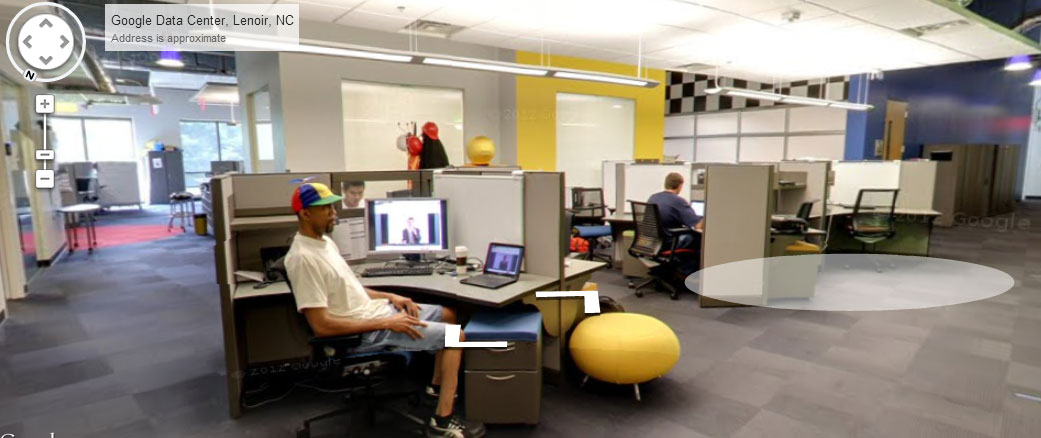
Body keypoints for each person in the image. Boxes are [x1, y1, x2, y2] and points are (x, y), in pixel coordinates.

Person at [284, 182, 485, 438]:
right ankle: (442, 422)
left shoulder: (323, 243)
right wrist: (388, 323)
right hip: (364, 332)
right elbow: (322, 326)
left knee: (449, 314)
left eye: (333, 206)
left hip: (375, 312)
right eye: (326, 209)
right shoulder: (303, 259)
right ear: (305, 213)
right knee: (456, 336)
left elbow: (351, 288)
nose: (334, 213)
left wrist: (391, 296)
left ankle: (434, 390)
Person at [647, 172, 704, 274]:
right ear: (680, 185)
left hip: (653, 242)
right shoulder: (678, 201)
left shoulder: (653, 197)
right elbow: (698, 225)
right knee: (699, 239)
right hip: (668, 242)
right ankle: (690, 274)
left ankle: (680, 272)